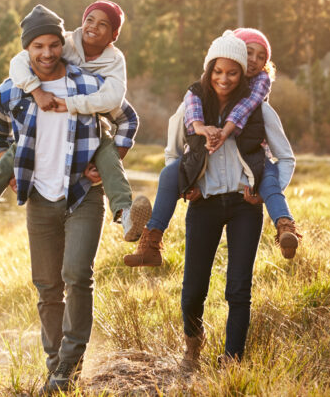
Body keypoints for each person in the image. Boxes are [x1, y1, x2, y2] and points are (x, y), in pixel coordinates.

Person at [0, 5, 130, 393]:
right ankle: (57, 367)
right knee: (46, 287)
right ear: (27, 50)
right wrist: (6, 161)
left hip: (82, 193)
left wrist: (115, 152)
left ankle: (70, 363)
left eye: (54, 44)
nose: (46, 52)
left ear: (64, 45)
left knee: (77, 275)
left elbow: (128, 116)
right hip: (40, 196)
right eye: (37, 46)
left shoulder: (88, 83)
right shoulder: (13, 88)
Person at [0, 0, 151, 244]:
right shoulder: (63, 44)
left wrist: (111, 157)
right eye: (89, 20)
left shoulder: (113, 62)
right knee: (14, 154)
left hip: (92, 130)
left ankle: (125, 215)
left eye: (103, 24)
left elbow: (118, 103)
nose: (93, 27)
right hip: (43, 129)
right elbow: (19, 62)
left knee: (107, 152)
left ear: (114, 35)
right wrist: (35, 91)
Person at [164, 31, 295, 368]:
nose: (226, 77)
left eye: (235, 70)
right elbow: (171, 154)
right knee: (193, 287)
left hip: (243, 207)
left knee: (238, 288)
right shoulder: (193, 105)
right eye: (220, 70)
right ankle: (193, 347)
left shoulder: (260, 111)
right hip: (203, 204)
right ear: (212, 69)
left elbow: (286, 158)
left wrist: (264, 191)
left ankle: (232, 358)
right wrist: (184, 185)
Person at [123, 27, 301, 267]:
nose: (255, 61)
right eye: (249, 53)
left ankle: (285, 226)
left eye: (261, 57)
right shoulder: (198, 94)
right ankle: (151, 239)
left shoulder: (258, 92)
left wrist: (224, 131)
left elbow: (246, 110)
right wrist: (189, 179)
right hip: (204, 179)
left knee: (269, 179)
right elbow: (179, 134)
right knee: (168, 174)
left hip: (253, 162)